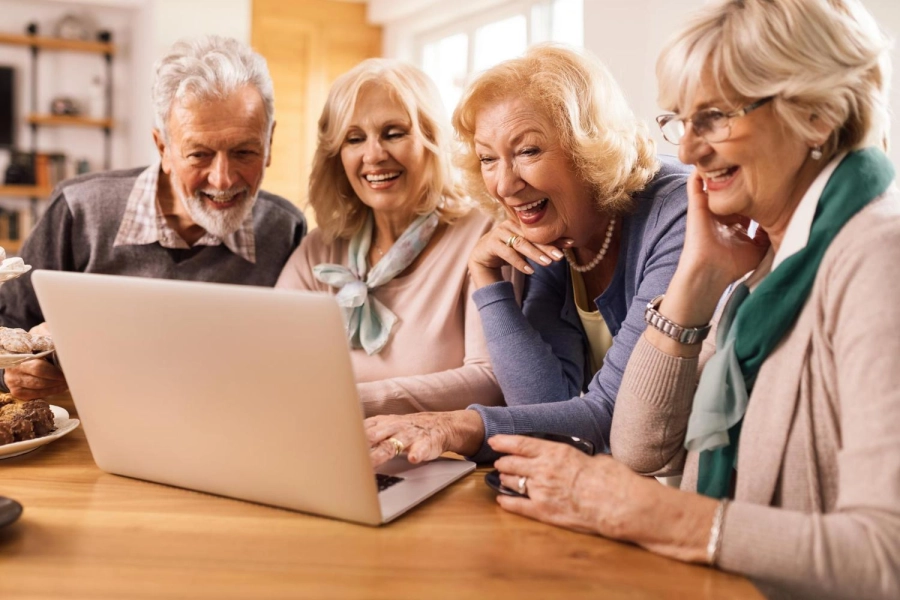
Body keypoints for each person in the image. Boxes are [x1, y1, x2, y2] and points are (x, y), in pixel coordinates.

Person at [485, 1, 900, 598]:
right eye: (680, 121)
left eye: (715, 117)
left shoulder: (875, 256)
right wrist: (697, 279)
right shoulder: (767, 265)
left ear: (818, 113)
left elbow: (883, 554)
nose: (687, 151)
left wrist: (650, 515)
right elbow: (638, 445)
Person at [366, 45, 688, 464]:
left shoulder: (676, 211)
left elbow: (615, 413)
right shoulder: (553, 228)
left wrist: (457, 426)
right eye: (487, 158)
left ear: (589, 146)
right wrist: (486, 279)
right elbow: (542, 405)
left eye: (528, 151)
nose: (503, 184)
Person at [0, 35, 307, 400]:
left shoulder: (285, 230)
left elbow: (296, 361)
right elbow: (8, 325)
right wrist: (16, 372)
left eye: (244, 151)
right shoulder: (78, 210)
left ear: (268, 144)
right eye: (199, 154)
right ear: (163, 147)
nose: (223, 179)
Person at [275, 59, 502, 416]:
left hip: (444, 462)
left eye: (393, 133)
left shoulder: (483, 234)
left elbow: (490, 381)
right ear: (337, 156)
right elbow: (271, 365)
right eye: (354, 139)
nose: (374, 155)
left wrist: (349, 402)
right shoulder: (318, 251)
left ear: (431, 140)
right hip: (327, 450)